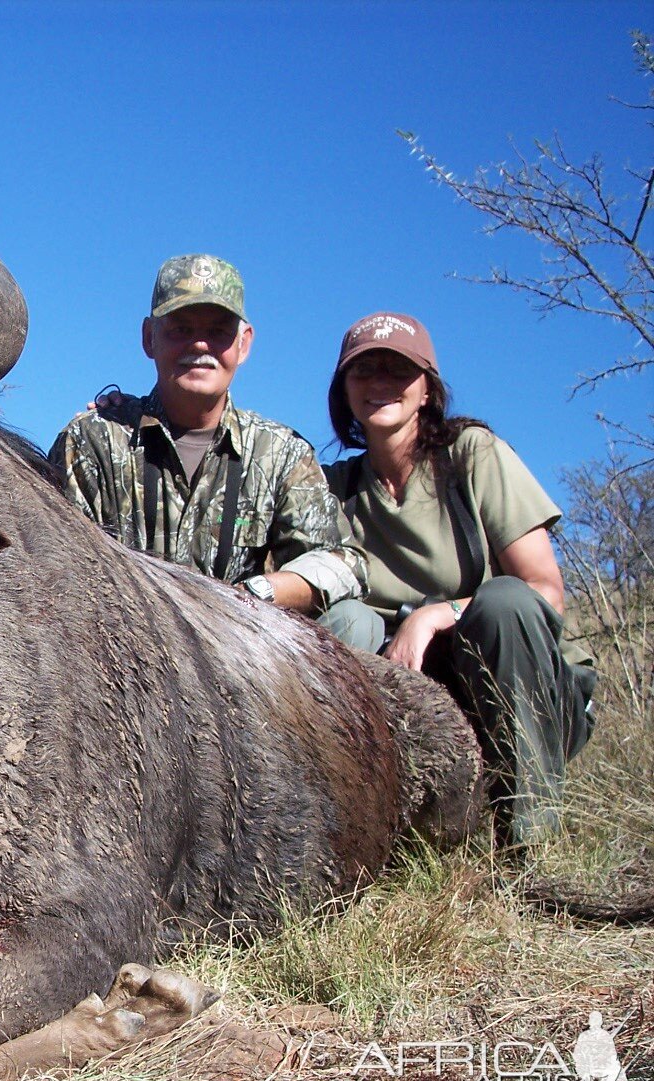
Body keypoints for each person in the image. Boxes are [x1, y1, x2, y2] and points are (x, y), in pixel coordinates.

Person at [323, 311, 597, 848]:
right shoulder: (331, 488)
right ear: (344, 392)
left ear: (427, 389)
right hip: (410, 695)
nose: (380, 383)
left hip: (518, 681)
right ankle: (353, 840)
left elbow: (546, 590)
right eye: (364, 371)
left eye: (397, 371)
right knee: (338, 622)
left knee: (504, 602)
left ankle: (529, 848)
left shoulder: (472, 454)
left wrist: (436, 615)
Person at [51, 254, 373, 646]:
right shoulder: (94, 439)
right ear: (148, 338)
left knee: (354, 621)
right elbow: (56, 568)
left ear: (244, 344)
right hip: (122, 656)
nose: (199, 344)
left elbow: (344, 562)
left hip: (246, 657)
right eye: (180, 329)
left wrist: (255, 595)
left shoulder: (281, 453)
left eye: (218, 332)